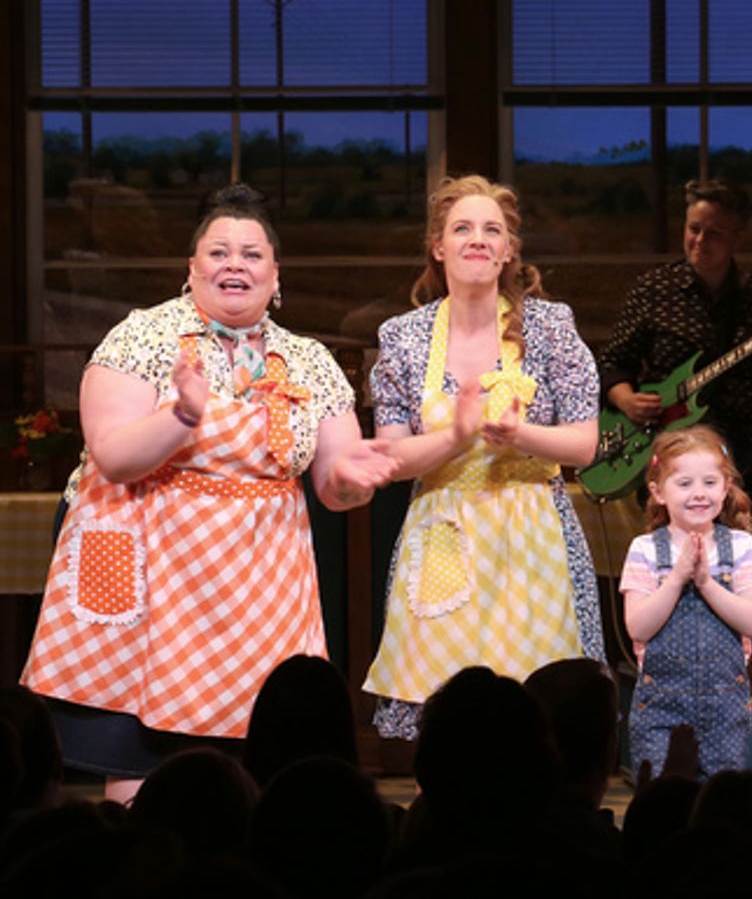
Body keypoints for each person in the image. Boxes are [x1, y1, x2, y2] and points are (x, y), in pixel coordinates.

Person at [21, 184, 397, 799]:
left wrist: (358, 479)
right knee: (143, 777)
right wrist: (181, 417)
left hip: (262, 584)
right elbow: (114, 457)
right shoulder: (141, 337)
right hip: (152, 573)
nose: (234, 265)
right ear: (189, 268)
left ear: (276, 275)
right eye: (218, 252)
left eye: (251, 254)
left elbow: (336, 485)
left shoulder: (309, 360)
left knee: (261, 770)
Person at [363, 175, 603, 740]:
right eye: (462, 228)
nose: (478, 239)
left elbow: (585, 443)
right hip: (442, 536)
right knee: (444, 719)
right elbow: (393, 459)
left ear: (509, 250)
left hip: (534, 540)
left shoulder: (551, 328)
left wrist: (521, 437)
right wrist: (455, 437)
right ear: (438, 246)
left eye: (492, 230)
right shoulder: (404, 337)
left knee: (540, 718)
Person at [598, 179, 752, 512]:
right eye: (694, 229)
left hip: (751, 443)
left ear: (738, 238)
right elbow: (612, 363)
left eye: (714, 234)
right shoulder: (653, 290)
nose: (700, 241)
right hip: (676, 442)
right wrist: (626, 399)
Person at [622, 426, 752, 780]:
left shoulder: (740, 546)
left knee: (720, 799)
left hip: (725, 706)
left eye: (709, 483)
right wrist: (676, 579)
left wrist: (704, 582)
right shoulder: (645, 550)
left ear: (725, 487)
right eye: (684, 484)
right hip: (661, 707)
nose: (698, 494)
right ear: (658, 492)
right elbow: (638, 627)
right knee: (661, 795)